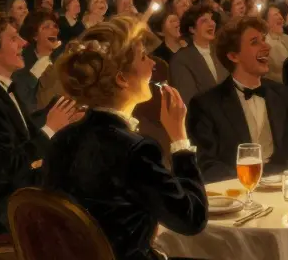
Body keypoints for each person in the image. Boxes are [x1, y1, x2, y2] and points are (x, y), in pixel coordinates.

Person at [44, 19, 208, 260]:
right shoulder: (135, 149)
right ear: (121, 78)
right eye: (144, 58)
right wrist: (180, 140)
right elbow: (192, 219)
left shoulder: (62, 138)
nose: (153, 64)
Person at [0, 15, 81, 235]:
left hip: (20, 193)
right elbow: (10, 167)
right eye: (14, 39)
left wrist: (61, 113)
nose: (24, 43)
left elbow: (24, 129)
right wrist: (50, 128)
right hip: (9, 207)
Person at [187, 17, 288, 182]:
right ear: (233, 56)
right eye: (254, 42)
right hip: (236, 191)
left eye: (264, 40)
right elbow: (206, 163)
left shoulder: (283, 94)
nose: (266, 46)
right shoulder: (206, 104)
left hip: (284, 186)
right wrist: (246, 182)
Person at [167, 3, 227, 103]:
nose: (212, 24)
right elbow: (188, 100)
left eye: (212, 19)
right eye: (204, 21)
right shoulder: (181, 60)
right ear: (192, 29)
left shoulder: (221, 52)